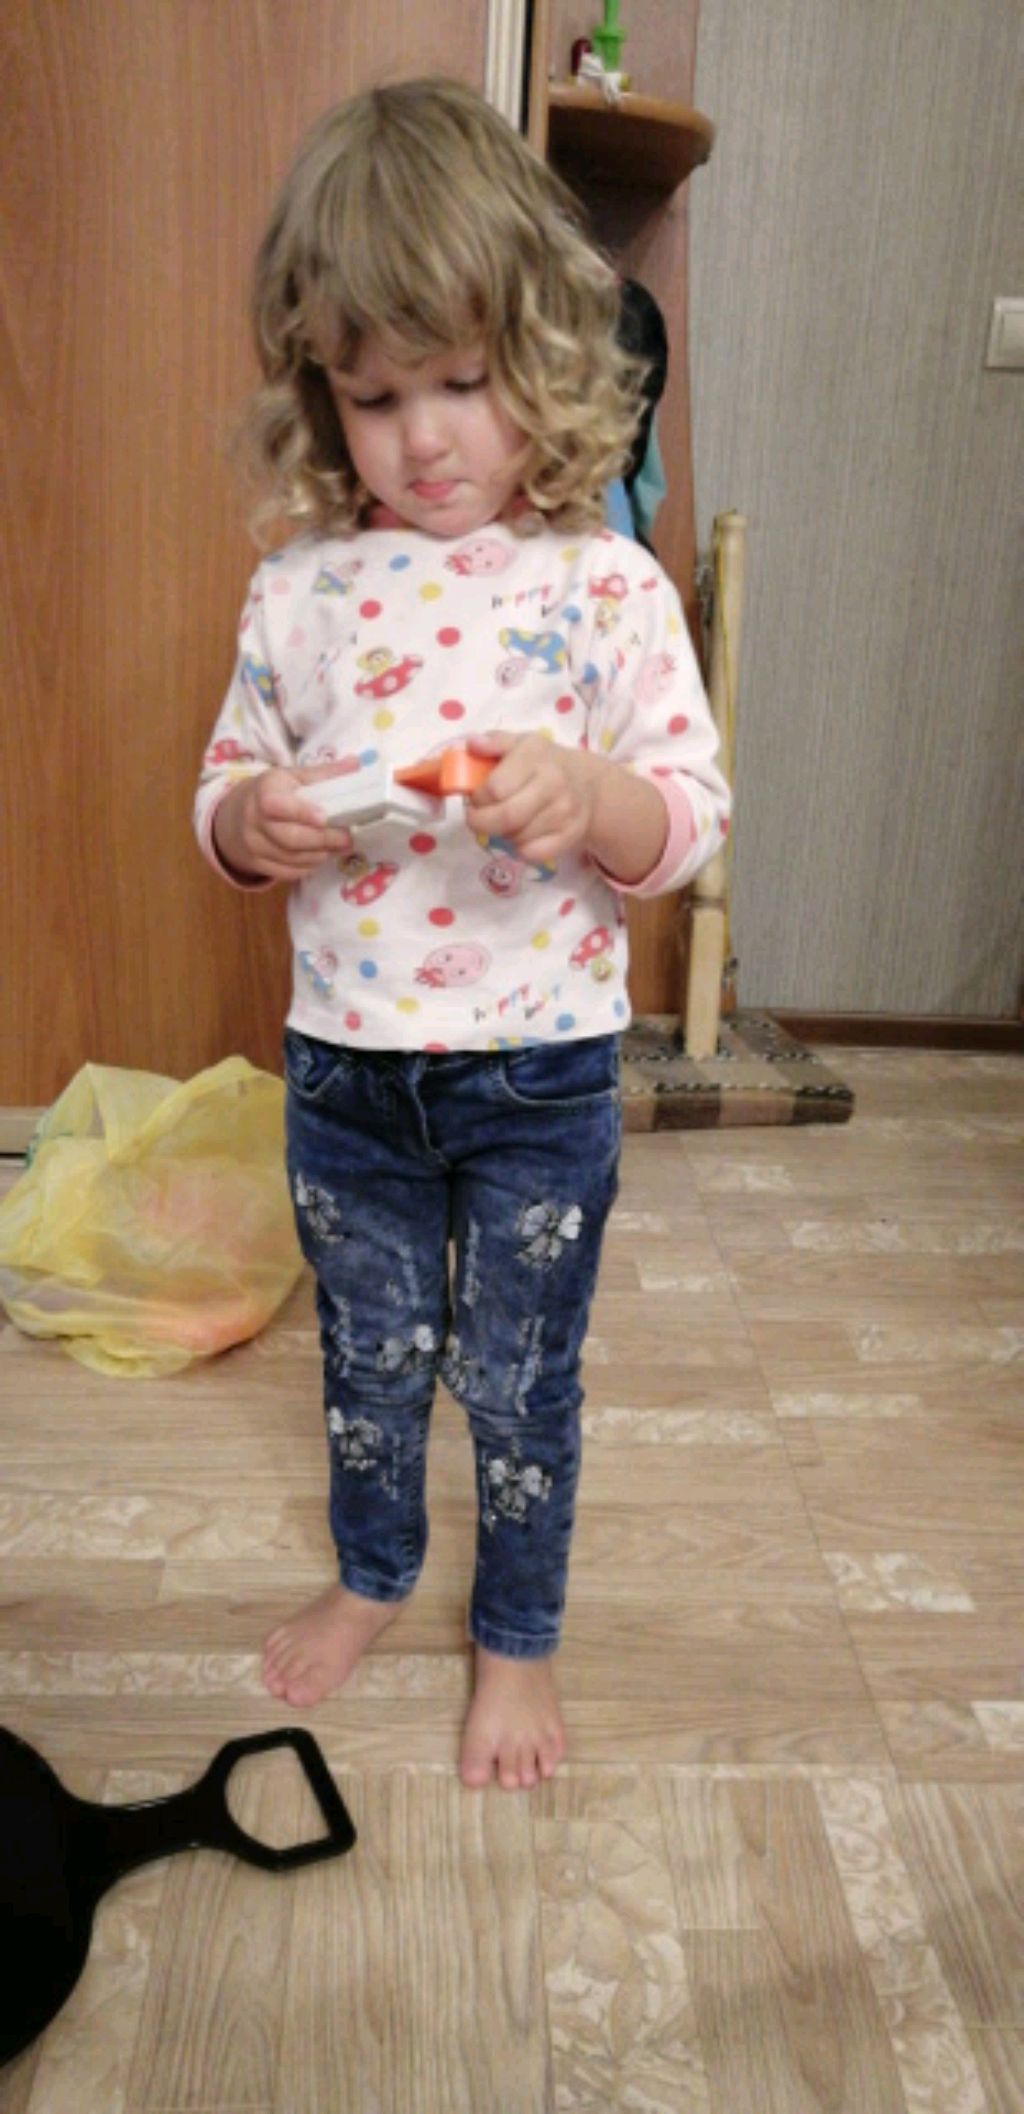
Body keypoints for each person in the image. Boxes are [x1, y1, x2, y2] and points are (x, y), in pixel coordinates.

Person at [194, 76, 730, 1791]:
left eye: (462, 381)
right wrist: (250, 822)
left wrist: (597, 797)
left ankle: (517, 1632)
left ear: (542, 353)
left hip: (538, 1075)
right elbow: (225, 782)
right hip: (347, 1072)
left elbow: (690, 819)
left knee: (517, 1379)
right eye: (375, 396)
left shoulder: (601, 585)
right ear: (321, 394)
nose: (424, 438)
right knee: (367, 1362)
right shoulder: (299, 588)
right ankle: (372, 1571)